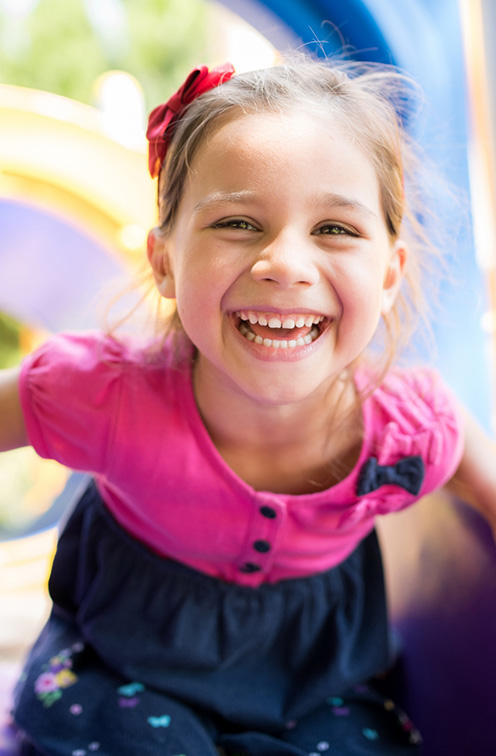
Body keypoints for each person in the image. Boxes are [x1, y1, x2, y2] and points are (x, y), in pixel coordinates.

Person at [0, 57, 495, 756]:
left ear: (388, 275)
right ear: (166, 261)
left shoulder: (410, 431)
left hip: (319, 687)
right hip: (120, 666)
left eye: (335, 229)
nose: (285, 263)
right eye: (237, 222)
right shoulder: (104, 395)